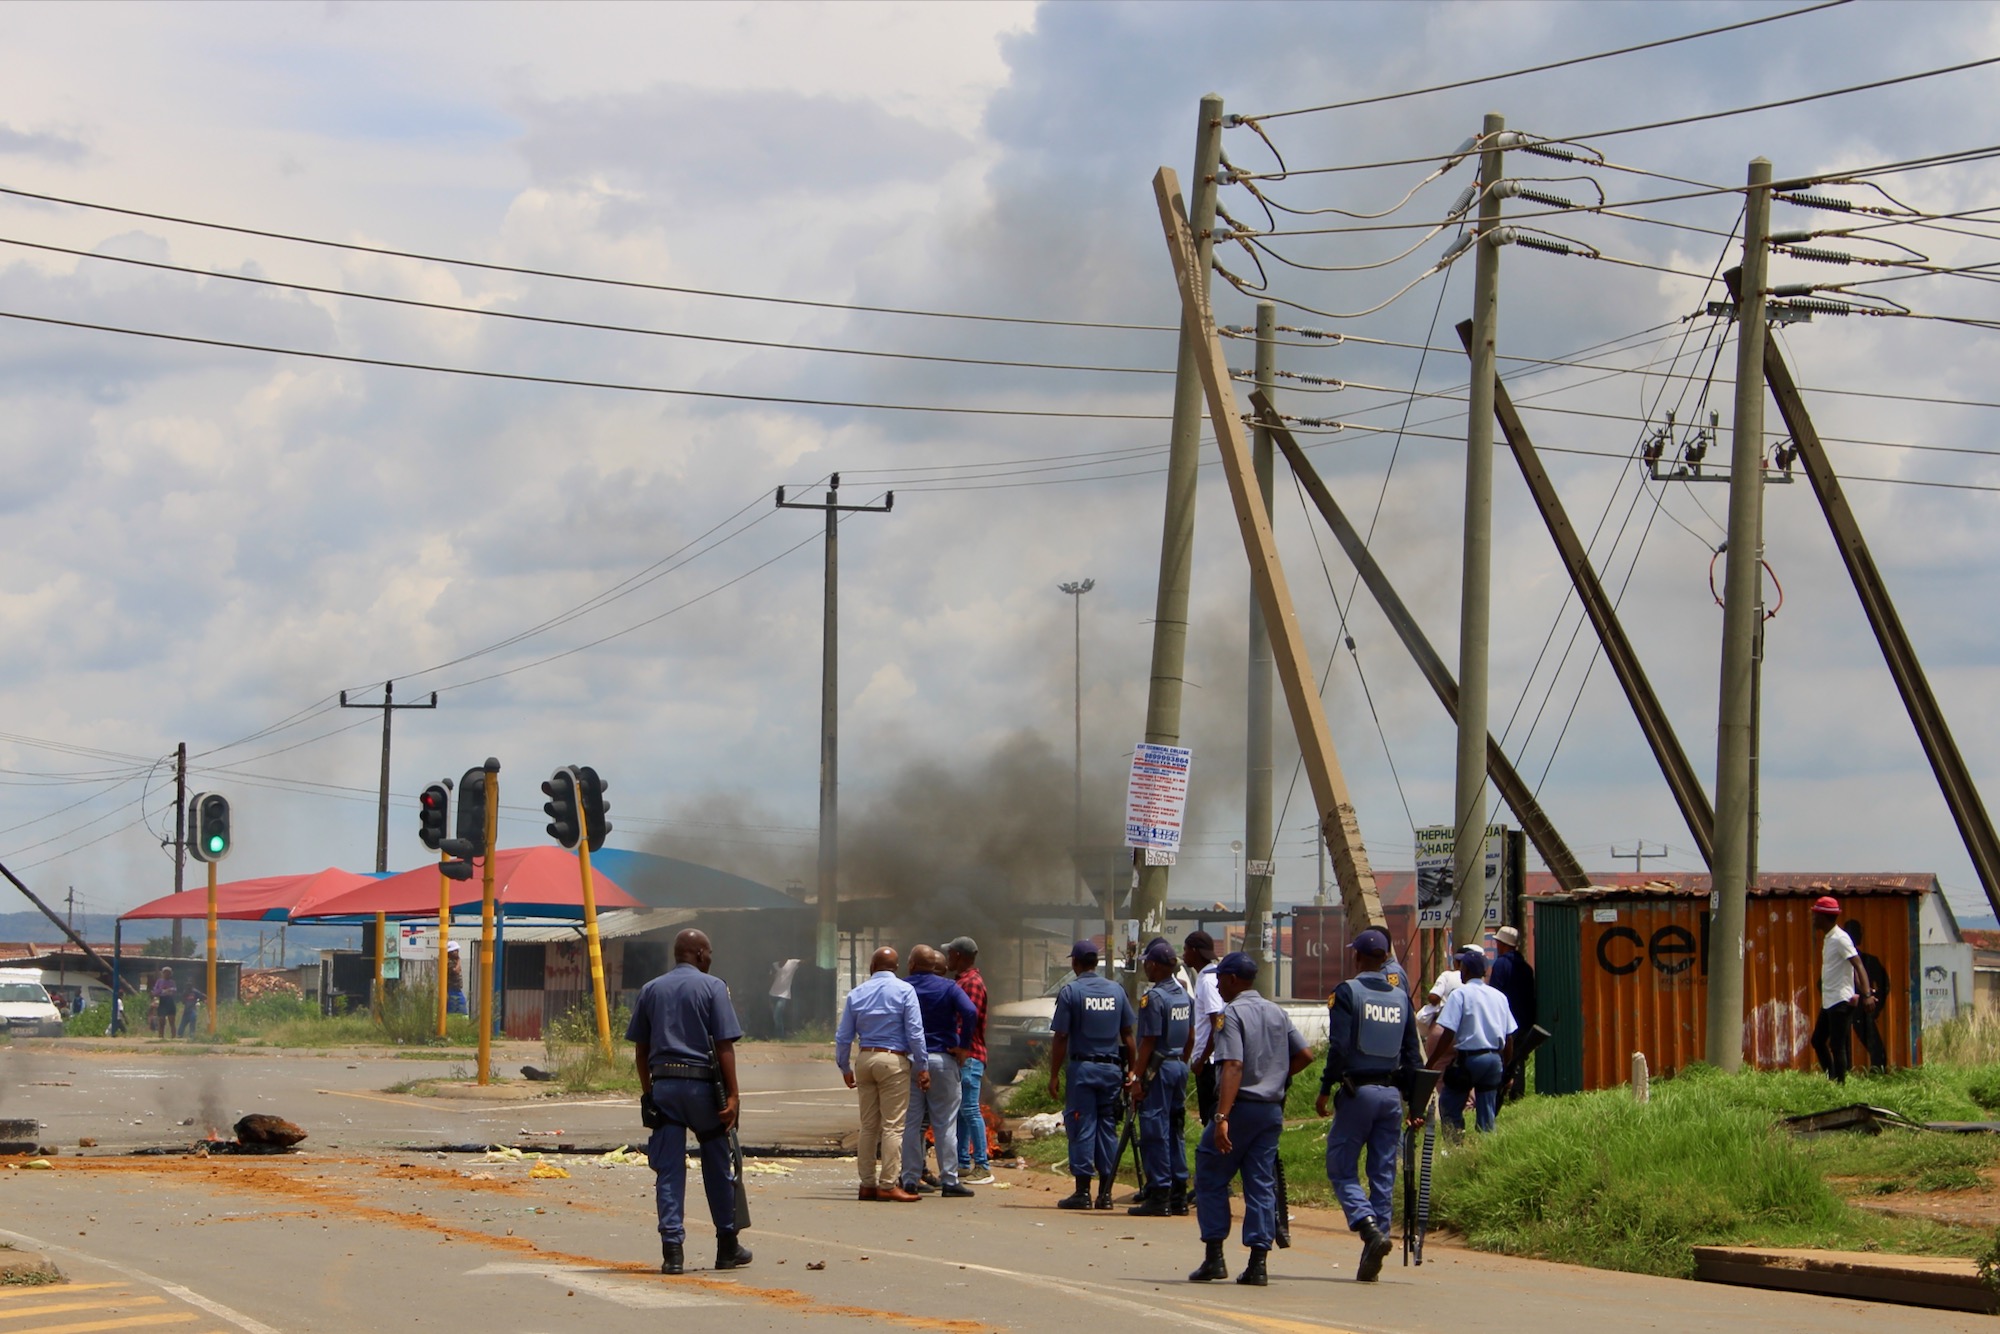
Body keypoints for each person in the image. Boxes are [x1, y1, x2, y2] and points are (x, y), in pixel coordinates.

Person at [627, 928, 750, 1275]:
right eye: (708, 951)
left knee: (668, 1170)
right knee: (717, 1164)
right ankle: (727, 1246)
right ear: (697, 953)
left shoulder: (651, 989)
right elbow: (724, 1045)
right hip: (702, 1089)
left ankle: (673, 1252)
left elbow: (641, 1048)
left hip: (664, 1087)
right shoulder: (713, 988)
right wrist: (734, 1095)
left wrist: (649, 1092)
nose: (711, 957)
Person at [1188, 952, 1312, 1287]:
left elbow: (1233, 1066)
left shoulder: (1231, 1014)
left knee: (1211, 1174)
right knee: (1260, 1183)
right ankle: (1258, 1264)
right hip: (1270, 1111)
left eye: (1219, 980)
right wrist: (1278, 1078)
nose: (1217, 985)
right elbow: (1305, 1055)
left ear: (1230, 979)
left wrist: (1221, 1116)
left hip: (1239, 1107)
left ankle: (1214, 1257)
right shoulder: (1276, 1011)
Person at [1316, 928, 1424, 1282]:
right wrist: (1414, 1103)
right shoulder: (1401, 997)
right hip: (1392, 1097)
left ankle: (1367, 1227)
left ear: (1357, 957)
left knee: (1342, 1167)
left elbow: (1340, 1047)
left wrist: (1324, 1087)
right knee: (1382, 1174)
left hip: (1358, 1092)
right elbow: (1412, 1056)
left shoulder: (1347, 992)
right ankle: (1372, 1255)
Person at [1048, 940, 1135, 1210]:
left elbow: (1061, 1036)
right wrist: (1133, 1071)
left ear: (1075, 963)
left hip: (1083, 1070)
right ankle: (1106, 1194)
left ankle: (1082, 1192)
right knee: (1107, 1128)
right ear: (1095, 963)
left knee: (1082, 1125)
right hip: (1111, 1070)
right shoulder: (1116, 991)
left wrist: (1053, 1075)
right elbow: (1129, 1036)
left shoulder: (1071, 992)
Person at [835, 947, 928, 1203]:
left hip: (865, 1058)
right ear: (896, 968)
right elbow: (916, 1033)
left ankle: (866, 1184)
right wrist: (922, 1066)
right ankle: (888, 1185)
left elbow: (843, 1037)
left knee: (868, 1126)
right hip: (893, 1059)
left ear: (872, 966)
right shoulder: (905, 991)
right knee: (893, 1126)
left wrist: (844, 1067)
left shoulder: (857, 993)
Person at [899, 945, 978, 1199]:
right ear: (934, 966)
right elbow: (970, 1011)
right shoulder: (948, 987)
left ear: (911, 964)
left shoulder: (903, 987)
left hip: (911, 1061)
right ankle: (950, 1180)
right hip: (943, 1059)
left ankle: (910, 1178)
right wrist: (964, 1046)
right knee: (945, 1123)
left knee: (911, 1122)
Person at [1126, 938, 1194, 1217]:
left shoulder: (1154, 998)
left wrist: (1137, 1078)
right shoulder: (1183, 996)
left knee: (1154, 1131)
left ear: (1154, 965)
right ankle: (1179, 1193)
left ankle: (1159, 1194)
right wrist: (1183, 1064)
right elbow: (1191, 1037)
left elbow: (1148, 1042)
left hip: (1159, 1068)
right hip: (1178, 1065)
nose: (1145, 968)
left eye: (1147, 963)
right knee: (1175, 1129)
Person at [1426, 947, 1515, 1134]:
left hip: (1470, 1060)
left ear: (1464, 971)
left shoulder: (1459, 995)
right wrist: (1507, 1068)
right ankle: (1485, 1151)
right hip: (1493, 1061)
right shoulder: (1499, 997)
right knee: (1487, 1113)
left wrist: (1431, 1062)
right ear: (1485, 971)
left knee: (1449, 1104)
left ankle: (1455, 1147)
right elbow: (1509, 1037)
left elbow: (1448, 1033)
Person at [945, 936, 994, 1186]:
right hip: (967, 1055)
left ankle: (983, 1166)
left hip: (971, 1055)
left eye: (950, 954)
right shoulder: (963, 981)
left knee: (971, 1110)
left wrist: (961, 1048)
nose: (947, 958)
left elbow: (968, 1018)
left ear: (959, 956)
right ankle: (964, 1163)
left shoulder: (971, 983)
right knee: (963, 1112)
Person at [1811, 897, 1874, 1083]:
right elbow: (1850, 970)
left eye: (1816, 915)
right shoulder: (1829, 938)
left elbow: (1858, 965)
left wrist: (1867, 994)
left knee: (1837, 1046)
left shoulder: (1840, 939)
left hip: (1840, 1000)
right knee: (1818, 1041)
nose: (1813, 919)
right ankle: (1833, 1079)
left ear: (1824, 917)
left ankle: (1839, 1085)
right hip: (1830, 1000)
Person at [1488, 925, 1537, 1100]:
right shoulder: (1526, 967)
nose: (1497, 946)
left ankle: (1501, 1092)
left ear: (1503, 944)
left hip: (1506, 1022)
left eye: (1498, 943)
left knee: (1504, 1057)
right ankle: (1518, 1093)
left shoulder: (1501, 964)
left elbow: (1494, 992)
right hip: (1525, 1021)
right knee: (1518, 1059)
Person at [1182, 931, 1224, 1125]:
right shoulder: (1207, 976)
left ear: (1194, 951)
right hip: (1209, 1060)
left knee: (1210, 1116)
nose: (1183, 954)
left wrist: (1202, 1059)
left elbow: (1217, 1024)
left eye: (1185, 949)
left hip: (1210, 1063)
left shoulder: (1208, 981)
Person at [1846, 920, 1891, 1069]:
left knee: (1878, 1054)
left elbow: (1885, 985)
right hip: (1852, 1011)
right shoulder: (1846, 960)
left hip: (1858, 1012)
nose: (1860, 935)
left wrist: (1875, 1007)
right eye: (1858, 932)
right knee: (1842, 1050)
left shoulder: (1870, 961)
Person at [768, 958, 799, 1039]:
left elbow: (805, 961)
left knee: (777, 1016)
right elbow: (770, 978)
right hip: (772, 994)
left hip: (783, 995)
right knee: (775, 1017)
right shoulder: (774, 964)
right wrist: (772, 974)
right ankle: (777, 1036)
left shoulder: (793, 962)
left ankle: (780, 1037)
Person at [151, 966, 178, 1040]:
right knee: (161, 1020)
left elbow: (175, 990)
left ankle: (173, 1037)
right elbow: (155, 991)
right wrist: (162, 991)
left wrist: (169, 990)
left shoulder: (172, 982)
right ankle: (161, 1036)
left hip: (170, 1001)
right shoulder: (159, 981)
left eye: (168, 973)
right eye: (165, 973)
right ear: (162, 973)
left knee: (172, 1020)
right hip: (163, 1000)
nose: (167, 974)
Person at [444, 942, 467, 1015]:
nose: (457, 952)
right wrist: (459, 961)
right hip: (452, 990)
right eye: (455, 951)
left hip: (457, 989)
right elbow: (456, 971)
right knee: (455, 1009)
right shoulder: (448, 961)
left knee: (461, 1010)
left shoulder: (454, 961)